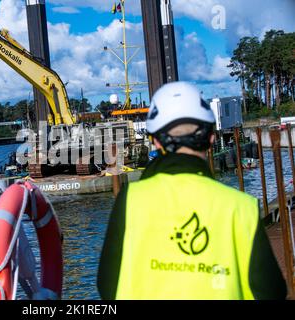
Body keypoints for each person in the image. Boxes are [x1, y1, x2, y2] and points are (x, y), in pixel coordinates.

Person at [97, 81, 287, 300]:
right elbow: (271, 291)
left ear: (156, 142)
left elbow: (107, 285)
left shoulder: (129, 200)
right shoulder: (241, 207)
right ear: (211, 138)